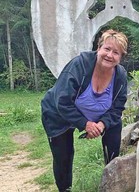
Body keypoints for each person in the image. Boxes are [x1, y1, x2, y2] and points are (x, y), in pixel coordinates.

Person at [41, 29, 128, 192]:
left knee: (114, 128)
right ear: (98, 48)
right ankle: (65, 189)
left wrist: (101, 124)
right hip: (57, 114)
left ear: (121, 57)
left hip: (96, 116)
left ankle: (113, 182)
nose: (110, 55)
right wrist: (85, 124)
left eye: (116, 52)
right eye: (107, 49)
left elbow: (117, 108)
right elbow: (63, 101)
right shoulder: (79, 64)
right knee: (63, 156)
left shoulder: (120, 76)